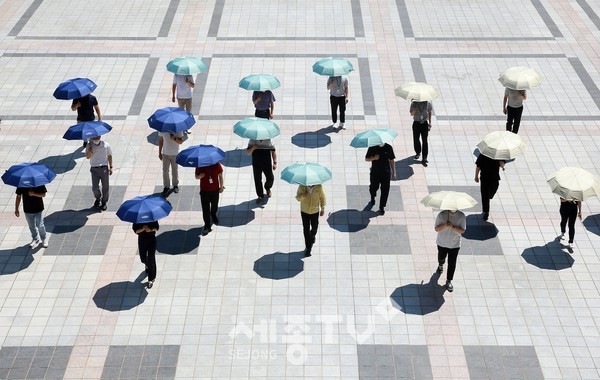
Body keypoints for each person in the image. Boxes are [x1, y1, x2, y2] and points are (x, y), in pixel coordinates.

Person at [434, 209, 466, 292]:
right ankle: (441, 265)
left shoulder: (461, 216)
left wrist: (453, 227)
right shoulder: (442, 214)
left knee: (452, 263)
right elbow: (437, 228)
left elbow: (462, 230)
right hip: (442, 243)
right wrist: (445, 225)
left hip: (454, 244)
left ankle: (449, 280)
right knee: (441, 257)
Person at [365, 143, 397, 215]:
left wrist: (394, 172)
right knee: (373, 187)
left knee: (385, 190)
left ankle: (382, 206)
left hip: (386, 173)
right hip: (375, 172)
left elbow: (391, 160)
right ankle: (372, 197)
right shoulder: (372, 147)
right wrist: (374, 158)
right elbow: (366, 158)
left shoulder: (389, 147)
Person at [295, 184, 326, 257]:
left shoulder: (319, 187)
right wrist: (303, 196)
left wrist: (322, 208)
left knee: (314, 228)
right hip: (304, 211)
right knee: (306, 229)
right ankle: (308, 248)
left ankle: (312, 236)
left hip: (315, 211)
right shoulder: (302, 186)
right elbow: (297, 198)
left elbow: (322, 198)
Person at [195, 163, 225, 236]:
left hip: (215, 190)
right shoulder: (200, 165)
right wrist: (200, 176)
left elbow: (220, 176)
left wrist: (221, 187)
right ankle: (207, 225)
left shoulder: (216, 164)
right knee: (205, 209)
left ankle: (213, 214)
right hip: (204, 191)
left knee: (215, 205)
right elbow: (196, 176)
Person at [85, 135, 113, 211]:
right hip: (94, 169)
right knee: (95, 188)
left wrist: (111, 167)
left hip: (103, 168)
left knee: (105, 187)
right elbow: (87, 157)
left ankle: (104, 202)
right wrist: (90, 151)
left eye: (97, 138)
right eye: (94, 138)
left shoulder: (105, 145)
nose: (96, 139)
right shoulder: (89, 145)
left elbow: (109, 155)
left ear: (100, 137)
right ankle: (98, 198)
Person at [474, 154, 505, 221]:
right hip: (484, 178)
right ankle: (486, 212)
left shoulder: (498, 155)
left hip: (495, 178)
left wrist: (501, 162)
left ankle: (489, 196)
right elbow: (478, 166)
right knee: (484, 195)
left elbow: (502, 165)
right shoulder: (483, 155)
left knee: (493, 190)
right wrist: (476, 176)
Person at [246, 139, 277, 204]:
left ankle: (267, 188)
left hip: (267, 163)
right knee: (257, 180)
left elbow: (273, 151)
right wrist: (253, 148)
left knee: (270, 178)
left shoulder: (268, 140)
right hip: (256, 163)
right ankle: (260, 195)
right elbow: (248, 152)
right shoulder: (252, 140)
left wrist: (275, 162)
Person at [133, 220, 159, 289]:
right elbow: (135, 231)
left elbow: (156, 228)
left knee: (151, 259)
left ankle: (151, 279)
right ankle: (148, 266)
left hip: (151, 240)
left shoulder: (152, 218)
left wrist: (149, 230)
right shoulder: (137, 219)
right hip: (142, 240)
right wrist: (142, 229)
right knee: (143, 258)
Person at [159, 131, 184, 197]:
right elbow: (161, 140)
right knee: (165, 171)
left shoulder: (178, 130)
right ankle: (166, 187)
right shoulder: (162, 129)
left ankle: (175, 185)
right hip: (165, 154)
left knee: (175, 171)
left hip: (175, 154)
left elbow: (181, 141)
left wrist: (174, 138)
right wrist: (159, 152)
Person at [410, 100, 433, 166]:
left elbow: (430, 111)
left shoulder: (427, 103)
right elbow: (411, 114)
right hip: (416, 123)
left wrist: (430, 122)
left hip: (424, 124)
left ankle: (424, 158)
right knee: (416, 139)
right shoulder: (414, 103)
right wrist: (414, 110)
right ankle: (418, 152)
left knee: (425, 141)